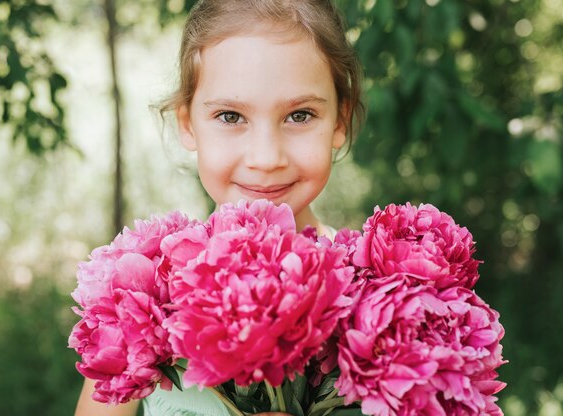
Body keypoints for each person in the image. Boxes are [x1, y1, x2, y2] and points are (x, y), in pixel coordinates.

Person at [75, 0, 364, 414]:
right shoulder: (143, 299)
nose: (266, 157)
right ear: (188, 123)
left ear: (339, 120)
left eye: (300, 115)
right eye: (231, 116)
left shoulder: (377, 296)